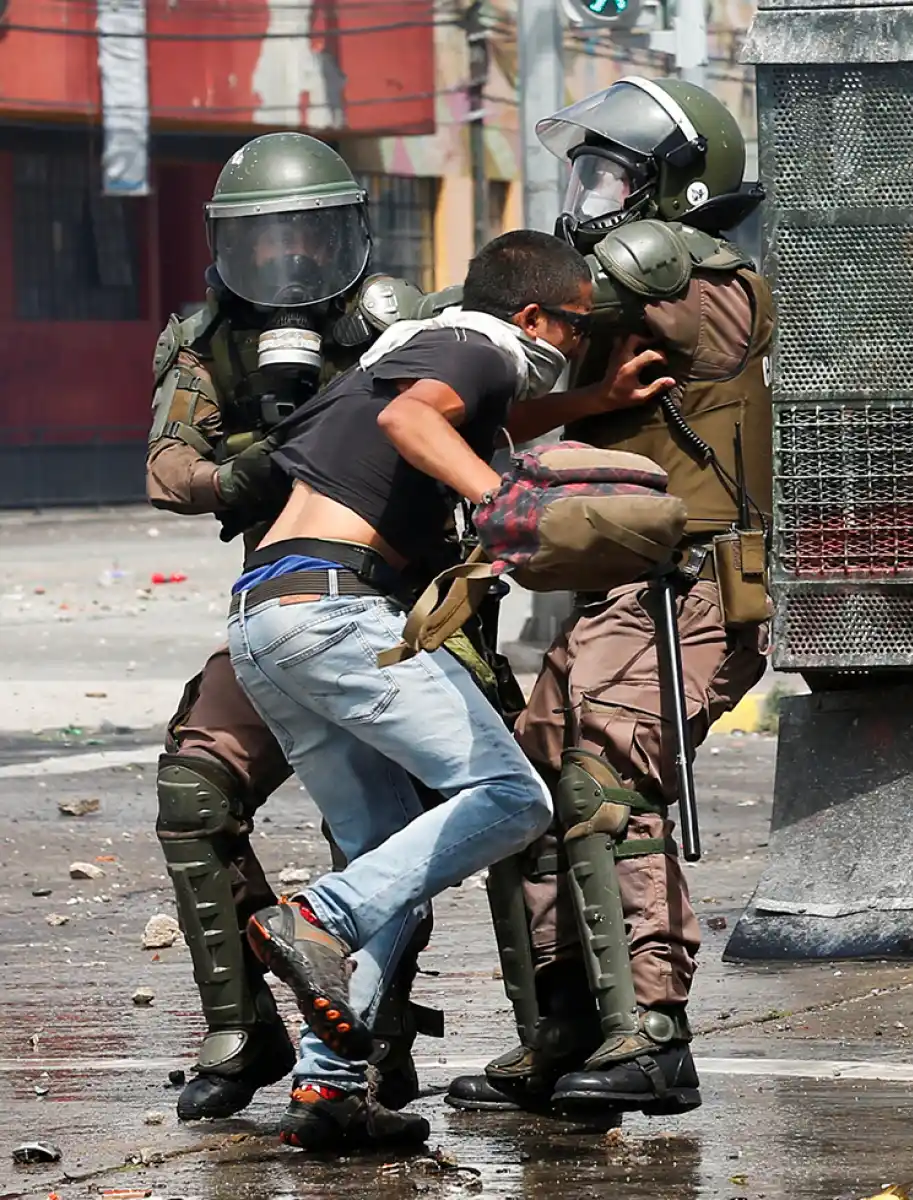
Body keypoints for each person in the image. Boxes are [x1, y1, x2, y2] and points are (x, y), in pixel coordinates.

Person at [224, 229, 664, 1150]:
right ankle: (316, 916)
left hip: (269, 617)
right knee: (511, 797)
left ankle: (331, 1089)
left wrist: (592, 399)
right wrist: (508, 505)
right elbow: (415, 422)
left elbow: (456, 417)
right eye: (578, 332)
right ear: (536, 315)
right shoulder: (478, 345)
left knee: (391, 866)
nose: (573, 348)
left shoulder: (414, 350)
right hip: (337, 612)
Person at [446, 75, 775, 1118]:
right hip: (611, 593)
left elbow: (719, 328)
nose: (583, 192)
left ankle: (654, 1032)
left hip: (694, 591)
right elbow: (515, 377)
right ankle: (562, 1030)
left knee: (604, 783)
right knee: (527, 793)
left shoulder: (707, 279)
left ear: (668, 188)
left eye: (606, 173)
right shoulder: (603, 305)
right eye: (579, 169)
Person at [148, 130, 447, 1124]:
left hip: (405, 610)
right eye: (261, 241)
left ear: (345, 235)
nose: (285, 261)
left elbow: (462, 430)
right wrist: (248, 467)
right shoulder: (205, 338)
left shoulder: (395, 323)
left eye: (305, 236)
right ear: (228, 245)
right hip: (281, 616)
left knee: (497, 800)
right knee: (195, 787)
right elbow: (165, 472)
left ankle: (516, 1035)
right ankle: (241, 1027)